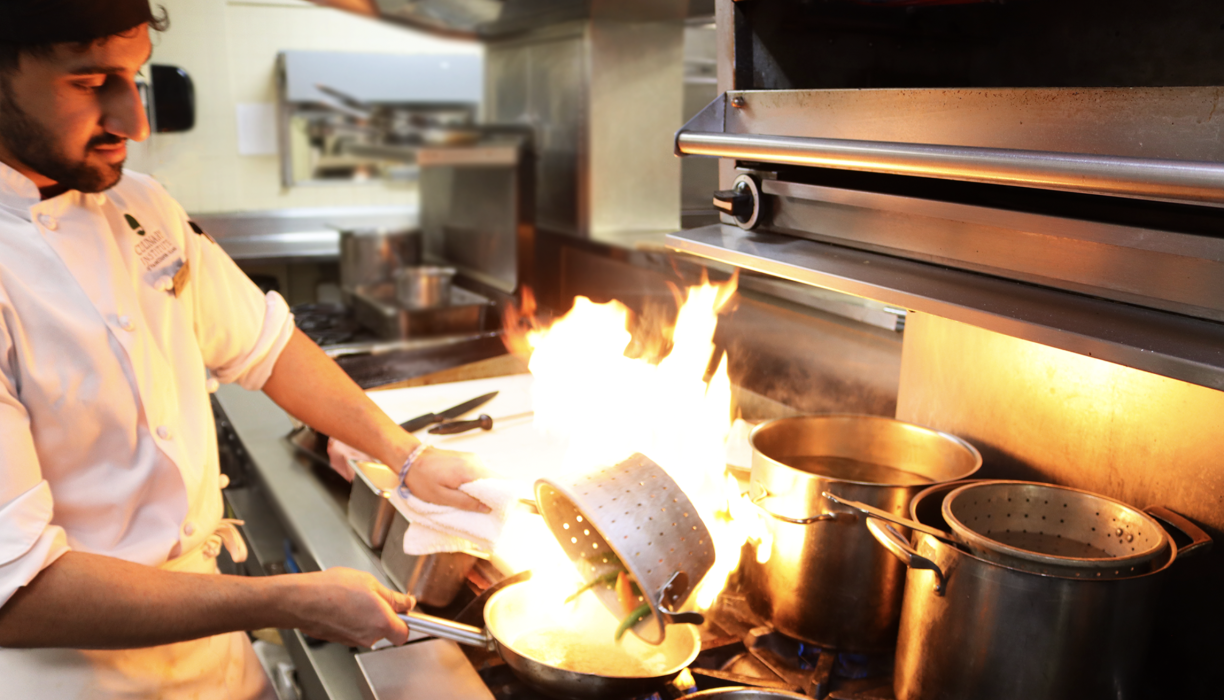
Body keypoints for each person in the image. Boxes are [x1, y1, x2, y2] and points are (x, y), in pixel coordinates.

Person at [0, 1, 493, 697]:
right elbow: (18, 595)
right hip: (74, 679)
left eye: (134, 78)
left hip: (214, 654)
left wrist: (408, 456)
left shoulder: (140, 205)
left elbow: (269, 346)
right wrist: (285, 599)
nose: (134, 122)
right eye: (89, 82)